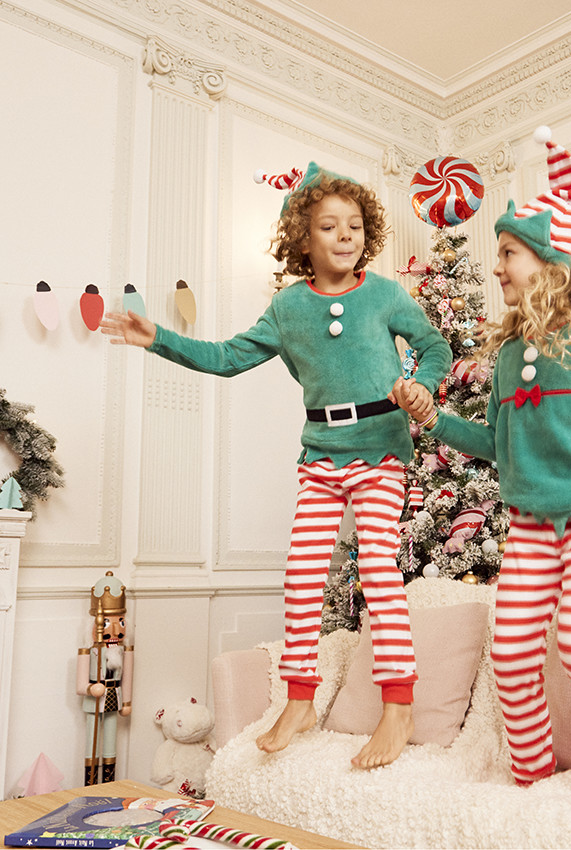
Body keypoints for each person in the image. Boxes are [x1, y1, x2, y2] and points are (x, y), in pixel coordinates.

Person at [101, 162, 451, 768]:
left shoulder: (385, 295)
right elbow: (227, 357)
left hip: (381, 449)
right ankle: (300, 699)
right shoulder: (289, 308)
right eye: (330, 226)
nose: (346, 235)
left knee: (378, 567)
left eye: (355, 224)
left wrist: (422, 385)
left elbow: (435, 346)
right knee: (301, 574)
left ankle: (398, 707)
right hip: (321, 454)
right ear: (303, 239)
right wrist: (157, 338)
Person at [391, 127, 571, 805]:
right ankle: (533, 783)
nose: (497, 268)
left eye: (508, 253)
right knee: (513, 653)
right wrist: (434, 419)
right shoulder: (509, 353)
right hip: (529, 527)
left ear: (550, 261)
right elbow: (499, 443)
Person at [77, 571, 133, 785]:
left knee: (110, 744)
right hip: (95, 699)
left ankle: (109, 784)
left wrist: (126, 702)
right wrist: (90, 688)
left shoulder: (123, 651)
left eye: (120, 622)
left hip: (113, 697)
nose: (115, 631)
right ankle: (90, 785)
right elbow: (80, 683)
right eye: (108, 622)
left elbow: (127, 677)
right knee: (92, 743)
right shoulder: (89, 652)